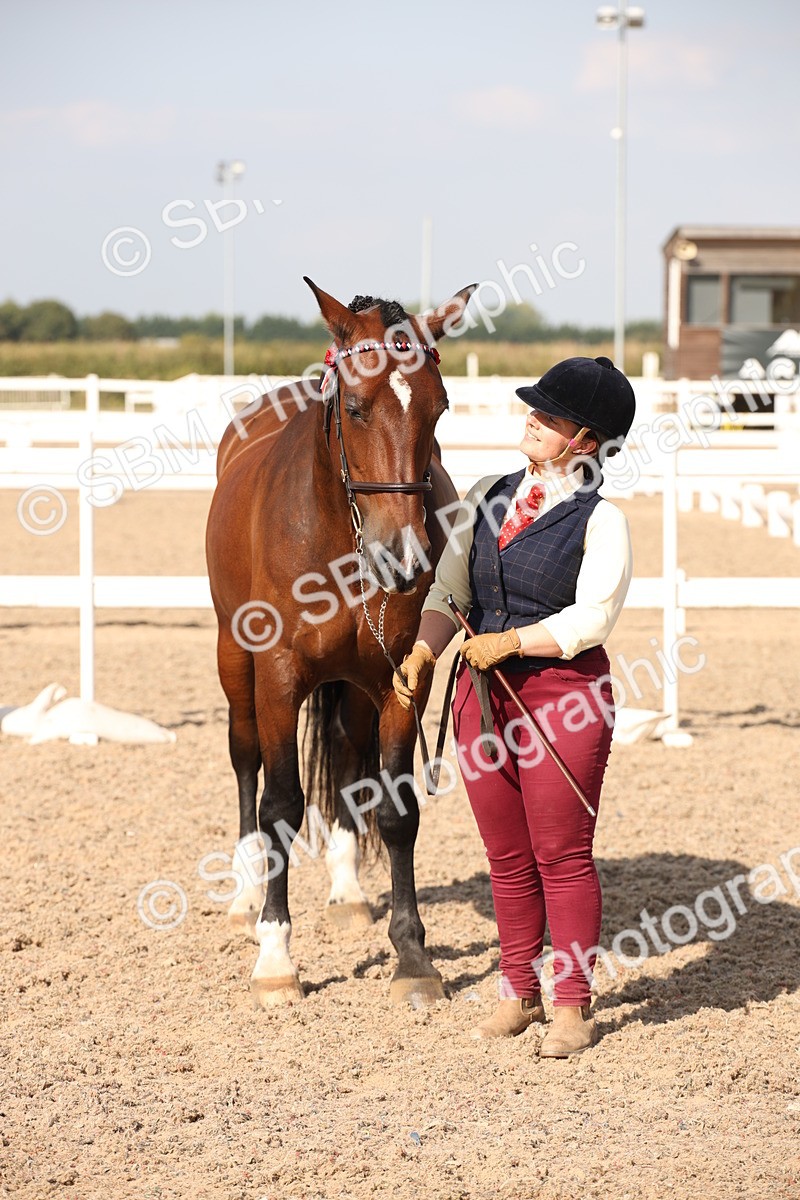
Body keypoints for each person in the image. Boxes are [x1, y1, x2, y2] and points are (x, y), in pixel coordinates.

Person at [393, 356, 635, 1057]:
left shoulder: (602, 521)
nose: (532, 418)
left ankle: (571, 1006)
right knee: (506, 856)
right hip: (480, 698)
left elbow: (592, 618)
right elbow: (450, 590)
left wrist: (514, 643)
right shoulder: (484, 496)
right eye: (535, 407)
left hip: (562, 699)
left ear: (585, 441)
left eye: (550, 415)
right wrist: (425, 651)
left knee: (561, 853)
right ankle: (518, 990)